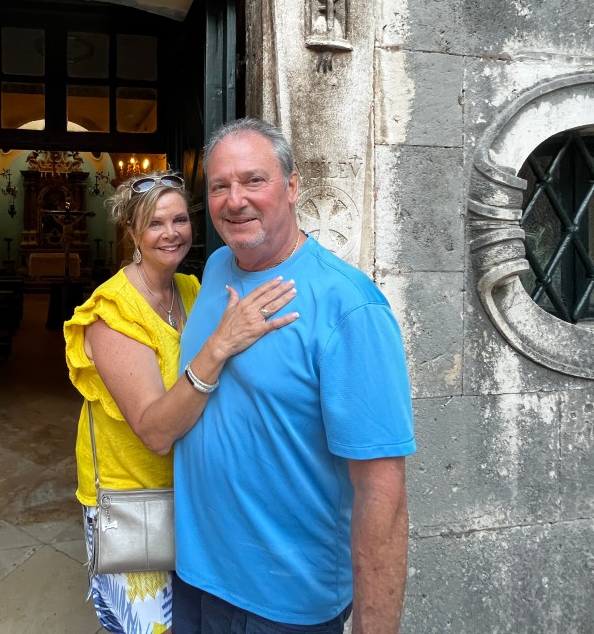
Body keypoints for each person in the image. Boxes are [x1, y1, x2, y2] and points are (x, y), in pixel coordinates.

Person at [174, 118, 417, 634]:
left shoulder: (349, 306)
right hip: (196, 573)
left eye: (253, 180)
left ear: (292, 186)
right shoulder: (217, 267)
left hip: (283, 601)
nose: (235, 200)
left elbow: (382, 492)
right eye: (219, 186)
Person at [65, 171, 298, 634]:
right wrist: (220, 345)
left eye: (179, 220)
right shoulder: (112, 312)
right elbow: (155, 432)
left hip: (191, 493)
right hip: (134, 498)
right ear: (132, 232)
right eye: (155, 223)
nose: (171, 233)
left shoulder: (191, 289)